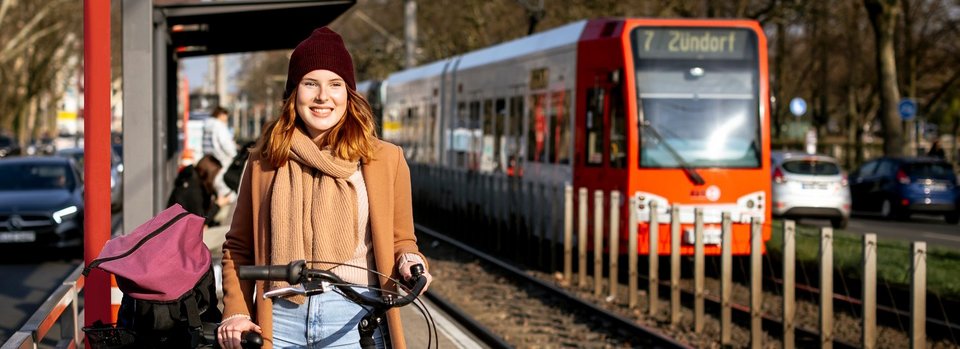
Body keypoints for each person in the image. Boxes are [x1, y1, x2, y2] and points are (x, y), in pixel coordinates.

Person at [217, 27, 433, 349]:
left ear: (349, 94)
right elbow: (238, 246)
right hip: (279, 323)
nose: (323, 97)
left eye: (335, 85)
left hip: (356, 322)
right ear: (294, 93)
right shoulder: (266, 161)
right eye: (310, 84)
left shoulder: (385, 159)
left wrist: (411, 262)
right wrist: (234, 311)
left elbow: (402, 239)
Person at [167, 155, 222, 226]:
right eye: (215, 175)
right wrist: (218, 205)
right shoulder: (193, 189)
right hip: (177, 229)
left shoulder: (191, 178)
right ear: (208, 173)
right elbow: (200, 219)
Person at [203, 106, 239, 206]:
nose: (226, 119)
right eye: (225, 116)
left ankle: (214, 214)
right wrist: (235, 155)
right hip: (222, 162)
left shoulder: (207, 125)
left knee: (216, 190)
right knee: (230, 194)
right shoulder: (219, 126)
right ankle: (214, 215)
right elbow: (225, 144)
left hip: (209, 162)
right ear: (220, 115)